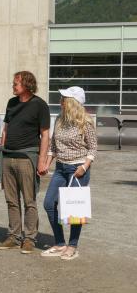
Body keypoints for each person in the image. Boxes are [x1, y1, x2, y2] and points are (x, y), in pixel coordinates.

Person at [0, 71, 50, 254]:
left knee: (29, 201)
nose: (13, 85)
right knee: (11, 200)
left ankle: (29, 239)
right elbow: (6, 129)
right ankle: (13, 236)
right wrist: (0, 151)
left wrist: (42, 161)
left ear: (27, 84)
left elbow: (45, 134)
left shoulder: (40, 105)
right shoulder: (11, 103)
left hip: (27, 157)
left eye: (16, 83)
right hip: (8, 157)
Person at [41, 87, 97, 261]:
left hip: (78, 170)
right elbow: (52, 146)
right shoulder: (59, 119)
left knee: (74, 210)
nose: (60, 100)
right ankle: (59, 243)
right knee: (49, 203)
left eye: (63, 98)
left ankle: (72, 246)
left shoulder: (85, 121)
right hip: (60, 168)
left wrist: (85, 166)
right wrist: (46, 164)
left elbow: (93, 147)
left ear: (72, 102)